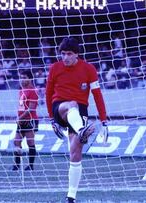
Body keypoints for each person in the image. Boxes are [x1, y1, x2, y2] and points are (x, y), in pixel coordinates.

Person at [45, 37, 108, 203]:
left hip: (80, 111)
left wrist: (104, 120)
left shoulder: (89, 69)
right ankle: (82, 131)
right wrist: (51, 119)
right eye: (63, 54)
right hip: (60, 107)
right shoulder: (55, 68)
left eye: (69, 54)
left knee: (75, 152)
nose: (65, 57)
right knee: (71, 104)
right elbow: (48, 94)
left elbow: (97, 95)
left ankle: (71, 196)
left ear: (77, 54)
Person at [12, 70, 39, 171]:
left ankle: (30, 166)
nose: (22, 80)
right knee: (16, 141)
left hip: (30, 120)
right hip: (21, 120)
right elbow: (21, 106)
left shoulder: (33, 91)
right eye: (21, 77)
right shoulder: (21, 90)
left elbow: (31, 109)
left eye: (24, 78)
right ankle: (17, 165)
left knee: (30, 142)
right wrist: (17, 116)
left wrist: (20, 117)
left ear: (30, 78)